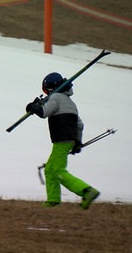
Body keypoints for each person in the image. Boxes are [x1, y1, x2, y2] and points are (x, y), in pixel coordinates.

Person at [26, 72, 100, 209]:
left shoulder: (56, 98)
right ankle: (53, 201)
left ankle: (86, 191)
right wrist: (77, 142)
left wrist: (33, 107)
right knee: (50, 169)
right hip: (68, 139)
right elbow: (79, 125)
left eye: (46, 90)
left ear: (50, 88)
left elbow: (44, 112)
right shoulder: (71, 103)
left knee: (58, 170)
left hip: (61, 139)